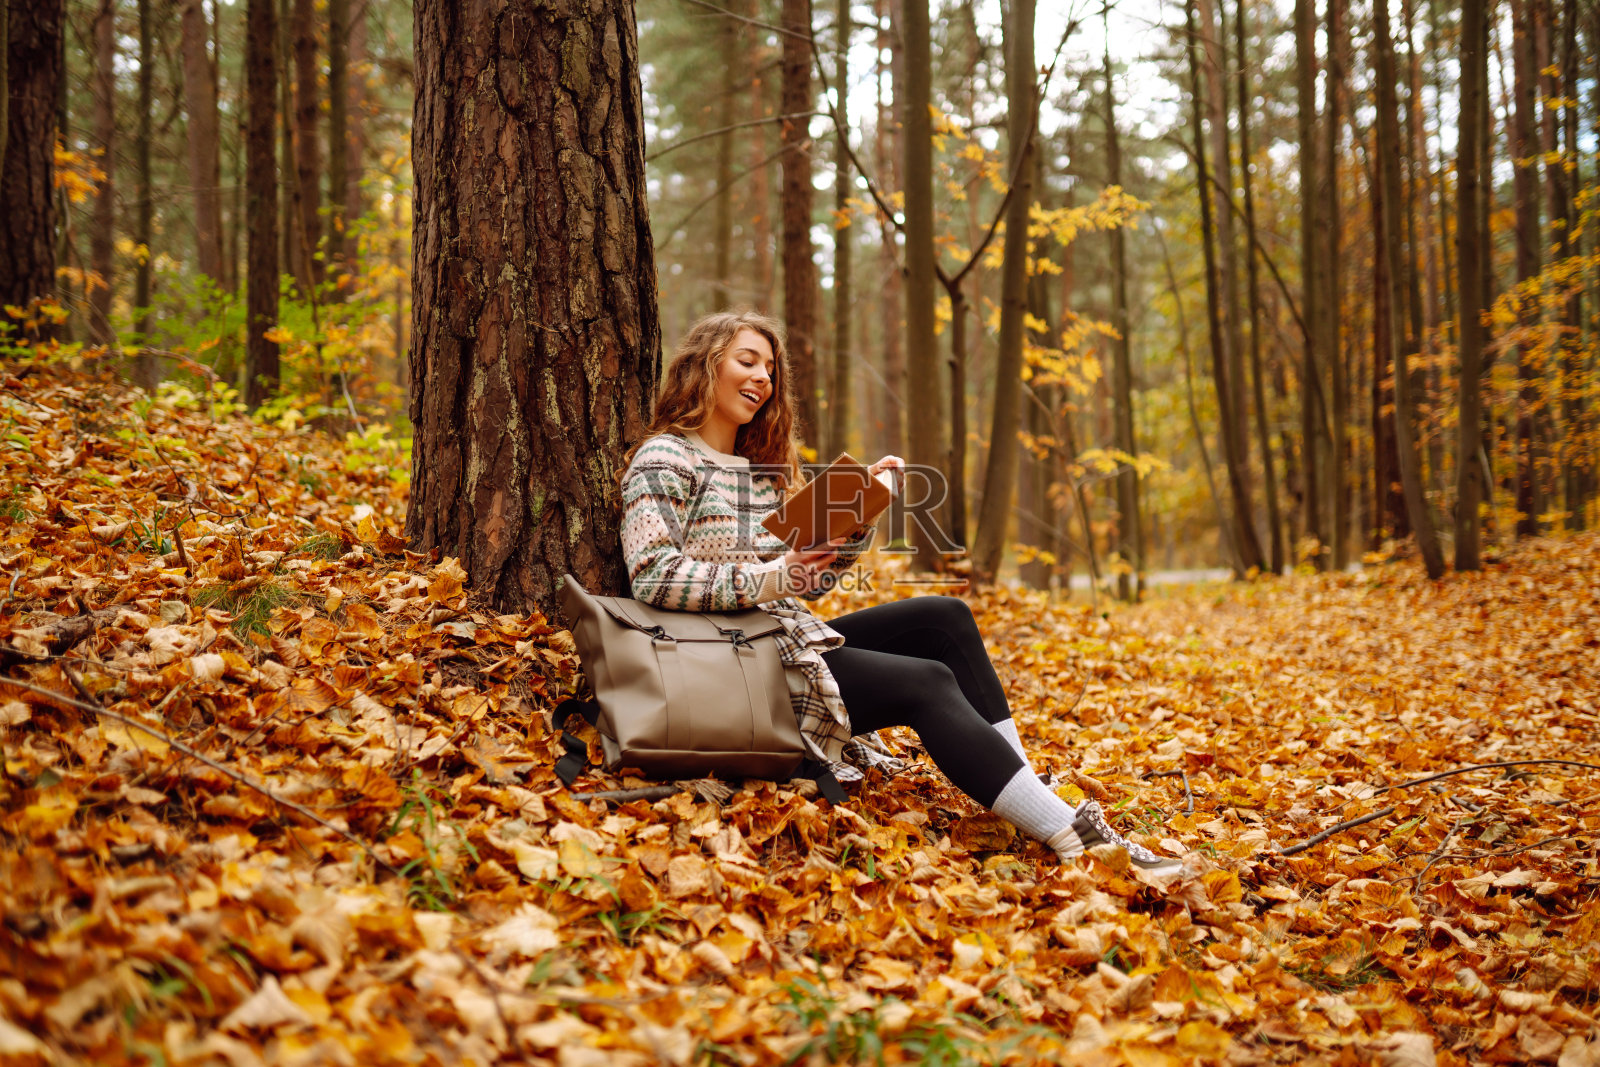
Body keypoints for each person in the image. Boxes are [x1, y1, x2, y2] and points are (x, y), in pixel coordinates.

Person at [618, 310, 1181, 877]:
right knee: (926, 682)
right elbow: (653, 574)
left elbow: (798, 582)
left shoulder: (753, 471)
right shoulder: (663, 458)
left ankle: (1028, 790)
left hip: (777, 641)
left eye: (770, 367)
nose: (763, 376)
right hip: (726, 669)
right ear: (705, 365)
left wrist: (854, 519)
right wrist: (774, 576)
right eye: (747, 361)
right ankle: (1075, 837)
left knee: (943, 618)